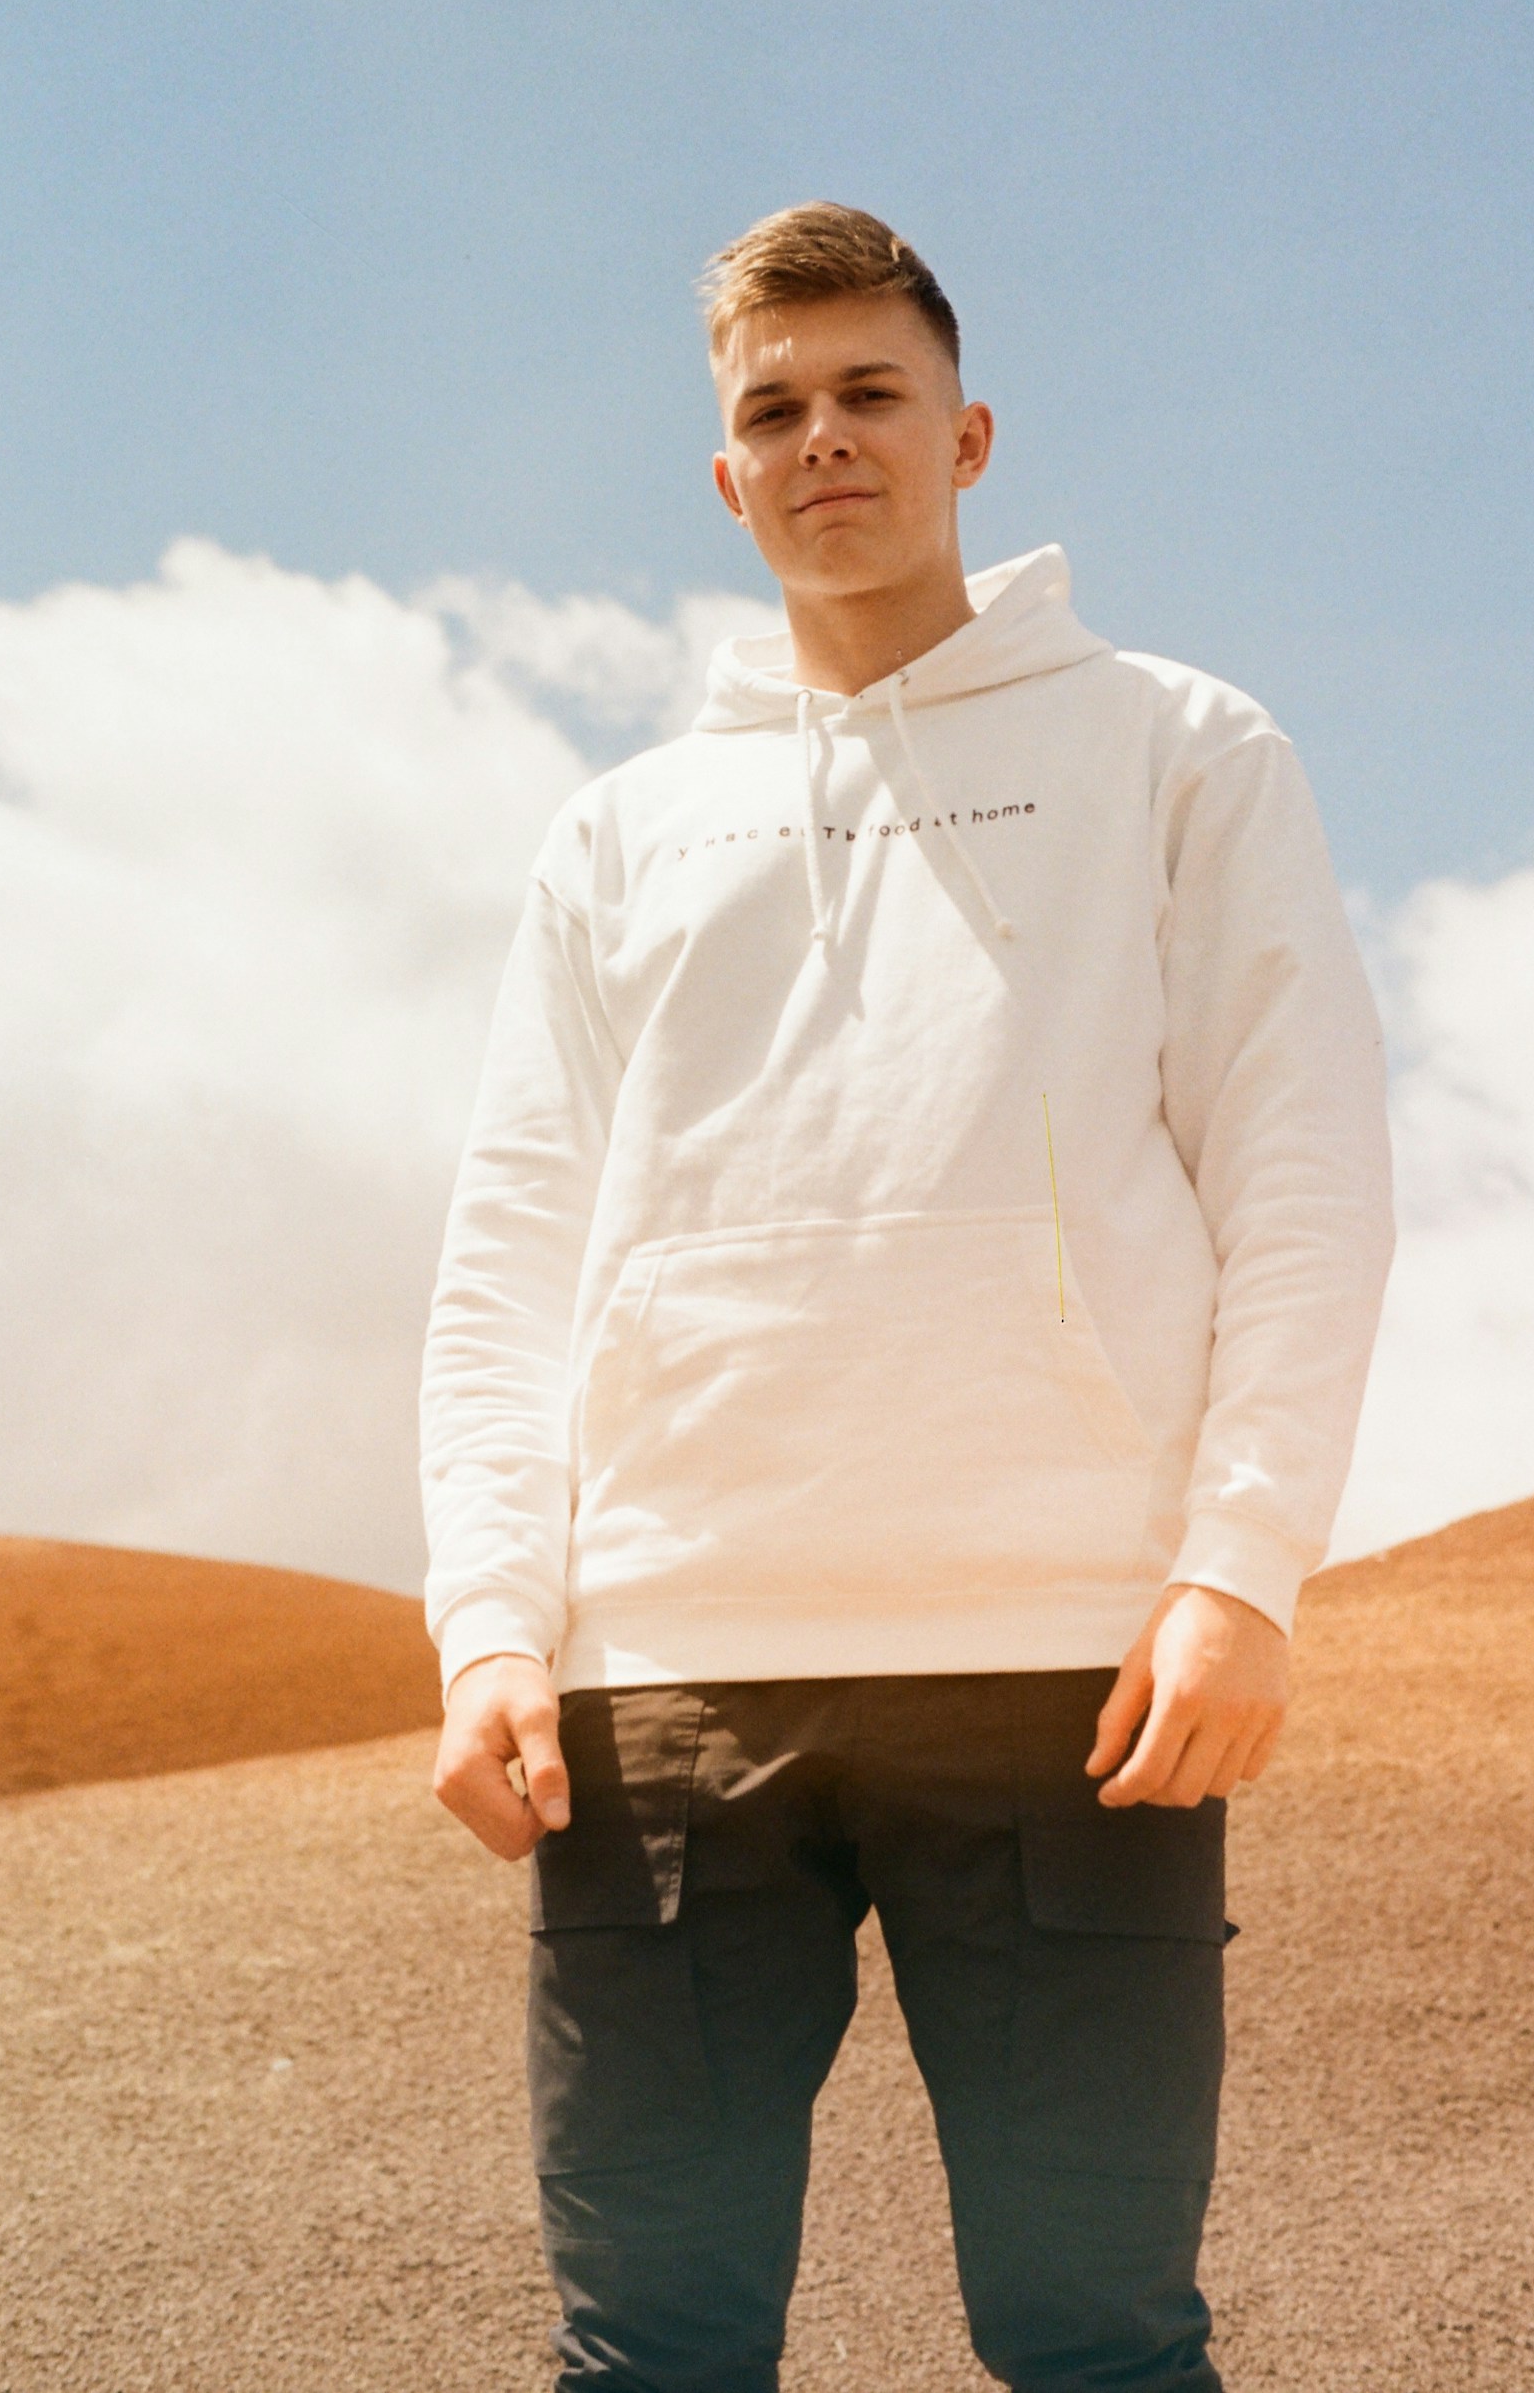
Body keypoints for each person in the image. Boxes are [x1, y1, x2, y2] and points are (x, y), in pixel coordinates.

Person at [420, 203, 1394, 2393]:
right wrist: (495, 1619)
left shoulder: (1178, 745)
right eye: (773, 409)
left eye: (868, 393)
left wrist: (1238, 1572)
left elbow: (1307, 1171)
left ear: (966, 435)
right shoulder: (619, 832)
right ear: (726, 475)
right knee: (645, 2344)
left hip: (1067, 1668)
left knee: (1094, 2336)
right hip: (666, 1680)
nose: (823, 438)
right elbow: (513, 1247)